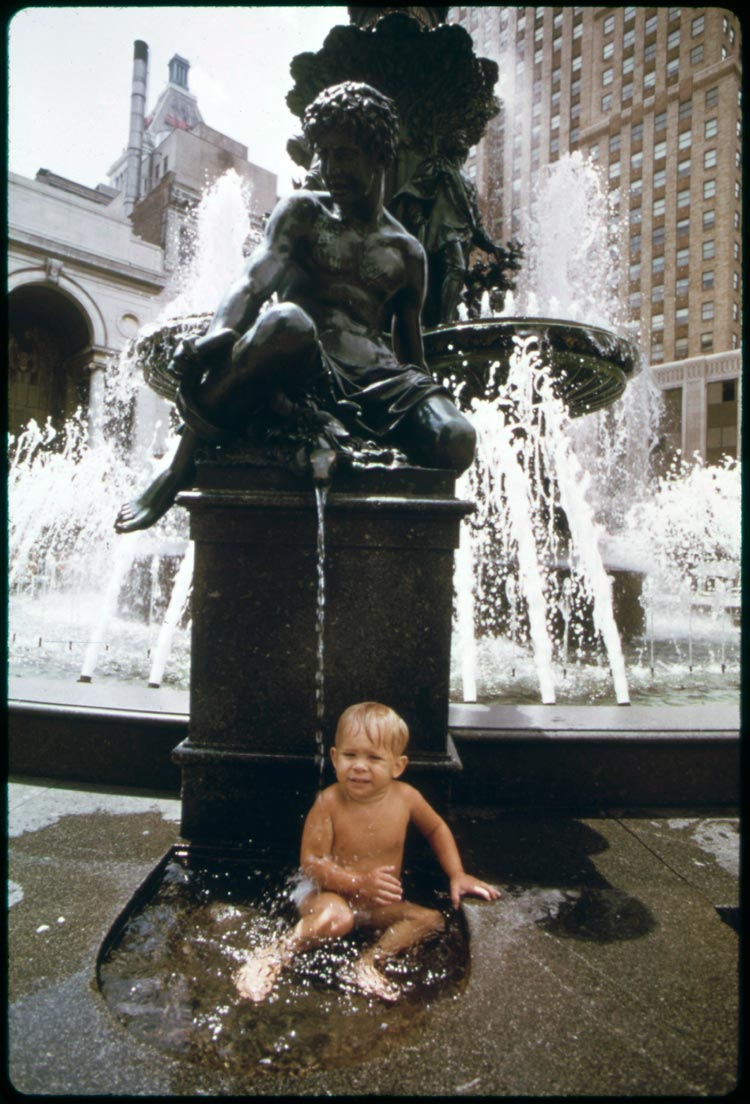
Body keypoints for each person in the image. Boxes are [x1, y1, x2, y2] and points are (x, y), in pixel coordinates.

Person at [115, 82, 476, 534]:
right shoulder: (302, 213)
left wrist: (432, 402)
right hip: (304, 362)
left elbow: (411, 355)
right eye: (323, 155)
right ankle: (177, 469)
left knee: (456, 439)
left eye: (343, 154)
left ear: (379, 154)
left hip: (381, 381)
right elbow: (251, 283)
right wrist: (217, 334)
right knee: (285, 320)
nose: (330, 168)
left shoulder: (408, 253)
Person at [234, 701, 500, 1003]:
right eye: (350, 755)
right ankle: (274, 954)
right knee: (338, 917)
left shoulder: (407, 798)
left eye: (373, 757)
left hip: (373, 905)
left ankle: (370, 962)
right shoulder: (329, 803)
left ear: (397, 766)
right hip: (326, 894)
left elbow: (436, 829)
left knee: (431, 921)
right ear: (334, 759)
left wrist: (457, 873)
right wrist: (357, 883)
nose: (359, 765)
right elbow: (311, 863)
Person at [392, 149, 503, 328]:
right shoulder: (438, 168)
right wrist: (416, 216)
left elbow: (476, 222)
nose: (461, 145)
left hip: (463, 236)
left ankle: (446, 317)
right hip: (443, 231)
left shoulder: (468, 182)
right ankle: (446, 322)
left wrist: (492, 246)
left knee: (452, 279)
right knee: (457, 268)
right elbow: (416, 190)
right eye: (456, 140)